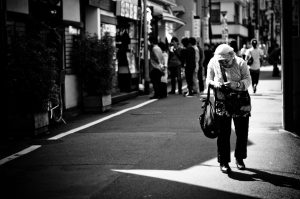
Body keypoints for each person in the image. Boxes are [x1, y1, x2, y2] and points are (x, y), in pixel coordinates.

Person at [206, 43, 252, 173]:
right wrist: (216, 84)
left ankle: (240, 158)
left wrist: (235, 85)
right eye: (220, 61)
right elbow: (208, 80)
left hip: (240, 101)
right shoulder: (213, 62)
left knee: (242, 132)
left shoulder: (241, 63)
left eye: (225, 60)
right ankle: (224, 161)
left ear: (232, 55)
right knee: (223, 133)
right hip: (222, 101)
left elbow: (248, 80)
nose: (223, 63)